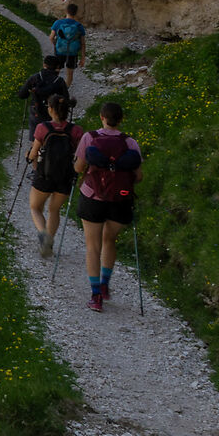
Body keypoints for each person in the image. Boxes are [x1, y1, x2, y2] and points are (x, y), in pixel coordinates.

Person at [75, 101, 143, 310]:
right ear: (121, 120)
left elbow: (79, 167)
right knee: (109, 240)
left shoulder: (89, 137)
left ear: (102, 117)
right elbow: (138, 177)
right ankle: (105, 285)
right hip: (120, 200)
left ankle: (96, 296)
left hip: (93, 197)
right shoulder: (130, 142)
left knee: (93, 247)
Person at [25, 94, 80, 257]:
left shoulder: (42, 128)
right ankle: (49, 242)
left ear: (50, 109)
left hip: (44, 175)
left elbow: (33, 153)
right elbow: (77, 155)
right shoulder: (76, 130)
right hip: (65, 177)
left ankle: (44, 235)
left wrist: (29, 157)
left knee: (35, 207)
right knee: (54, 210)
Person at [16, 55, 74, 134]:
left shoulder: (34, 78)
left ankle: (35, 144)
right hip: (53, 112)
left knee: (36, 135)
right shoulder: (59, 81)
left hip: (36, 111)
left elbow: (22, 95)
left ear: (44, 65)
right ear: (57, 67)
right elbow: (66, 99)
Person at [51, 2, 86, 85]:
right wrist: (83, 58)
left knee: (56, 72)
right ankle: (65, 91)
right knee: (70, 74)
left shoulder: (58, 23)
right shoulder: (79, 26)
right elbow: (83, 43)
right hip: (73, 53)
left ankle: (54, 90)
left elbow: (51, 37)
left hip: (60, 51)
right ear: (76, 13)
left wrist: (55, 45)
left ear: (66, 11)